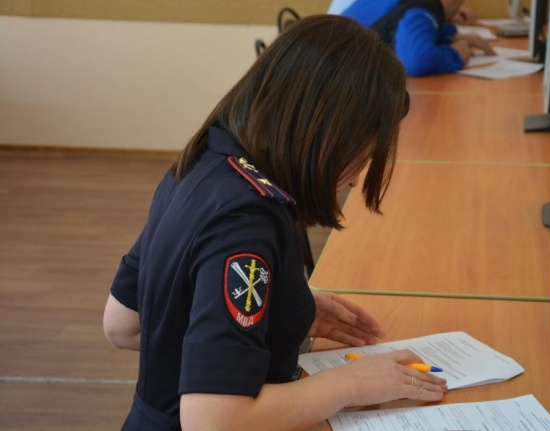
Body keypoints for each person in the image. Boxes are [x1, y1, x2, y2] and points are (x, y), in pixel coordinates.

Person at [102, 15, 447, 431]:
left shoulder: (204, 159)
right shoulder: (247, 220)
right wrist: (352, 383)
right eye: (360, 158)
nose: (356, 180)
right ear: (327, 134)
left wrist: (278, 313)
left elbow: (123, 324)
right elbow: (213, 421)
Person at [341, 0, 494, 77]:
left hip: (338, 74)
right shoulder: (420, 7)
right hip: (344, 83)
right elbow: (417, 60)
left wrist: (449, 36)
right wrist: (456, 54)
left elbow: (396, 25)